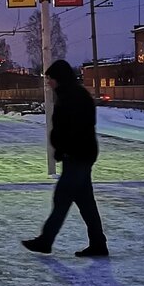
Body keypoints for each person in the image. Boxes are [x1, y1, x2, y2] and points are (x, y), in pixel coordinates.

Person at [23, 59, 108, 257]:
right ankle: (98, 244)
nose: (48, 83)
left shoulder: (73, 97)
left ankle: (46, 241)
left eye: (50, 79)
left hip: (77, 155)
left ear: (59, 78)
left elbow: (75, 129)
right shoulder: (71, 95)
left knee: (62, 198)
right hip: (80, 154)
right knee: (86, 203)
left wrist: (64, 148)